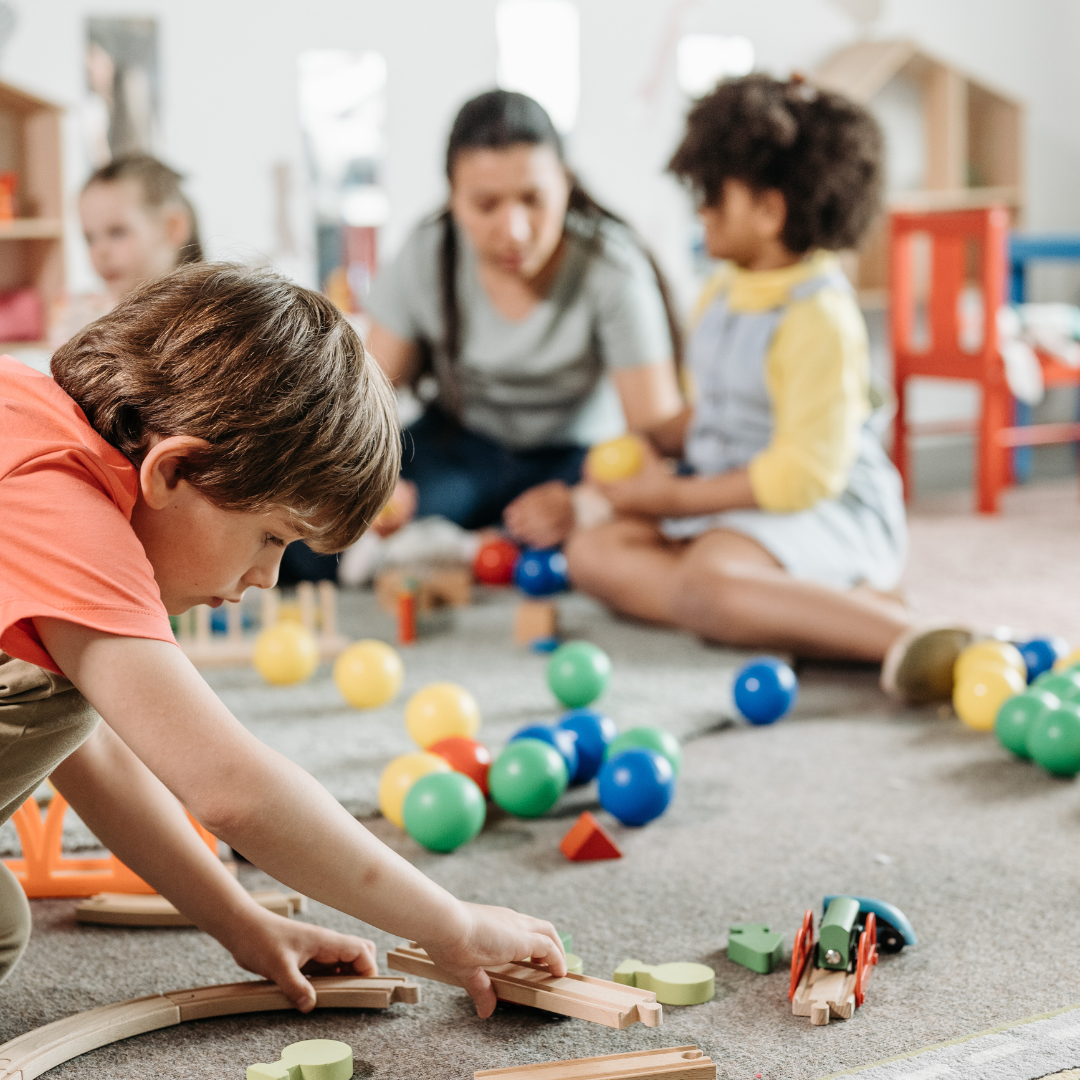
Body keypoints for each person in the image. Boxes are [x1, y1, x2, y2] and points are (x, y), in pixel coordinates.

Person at [0, 263, 565, 1003]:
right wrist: (447, 922)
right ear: (172, 471)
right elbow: (231, 789)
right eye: (271, 538)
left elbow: (94, 752)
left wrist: (238, 919)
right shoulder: (67, 515)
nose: (267, 578)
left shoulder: (28, 414)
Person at [564, 75, 967, 702]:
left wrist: (669, 498)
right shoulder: (723, 289)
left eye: (714, 197)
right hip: (738, 508)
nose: (700, 211)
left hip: (820, 510)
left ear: (770, 211)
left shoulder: (818, 316)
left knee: (707, 582)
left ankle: (904, 634)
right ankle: (810, 609)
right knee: (592, 551)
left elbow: (801, 475)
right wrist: (657, 441)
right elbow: (722, 409)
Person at [363, 89, 685, 551]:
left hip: (574, 457)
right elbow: (363, 405)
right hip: (461, 447)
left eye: (533, 199)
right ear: (453, 198)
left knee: (643, 526)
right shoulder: (426, 253)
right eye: (486, 205)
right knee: (321, 537)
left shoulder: (611, 265)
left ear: (565, 184)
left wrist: (583, 503)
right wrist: (375, 482)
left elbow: (657, 435)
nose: (514, 230)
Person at [50, 153, 203, 345]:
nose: (101, 251)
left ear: (172, 228)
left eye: (117, 232)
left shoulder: (202, 319)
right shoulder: (86, 316)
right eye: (90, 238)